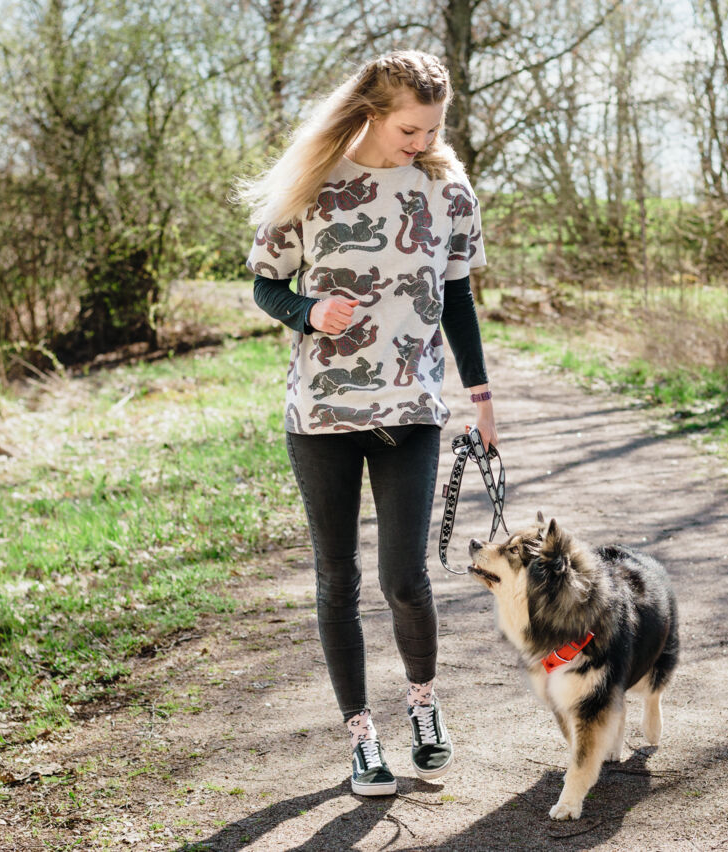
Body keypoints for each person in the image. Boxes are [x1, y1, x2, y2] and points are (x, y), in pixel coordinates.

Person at [235, 49, 496, 797]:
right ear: (371, 113)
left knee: (405, 578)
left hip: (412, 407)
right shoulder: (313, 186)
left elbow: (458, 298)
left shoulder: (447, 191)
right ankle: (360, 735)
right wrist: (307, 310)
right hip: (321, 412)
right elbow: (263, 281)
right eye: (410, 129)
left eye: (434, 128)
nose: (423, 142)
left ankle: (422, 705)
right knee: (337, 578)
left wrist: (481, 396)